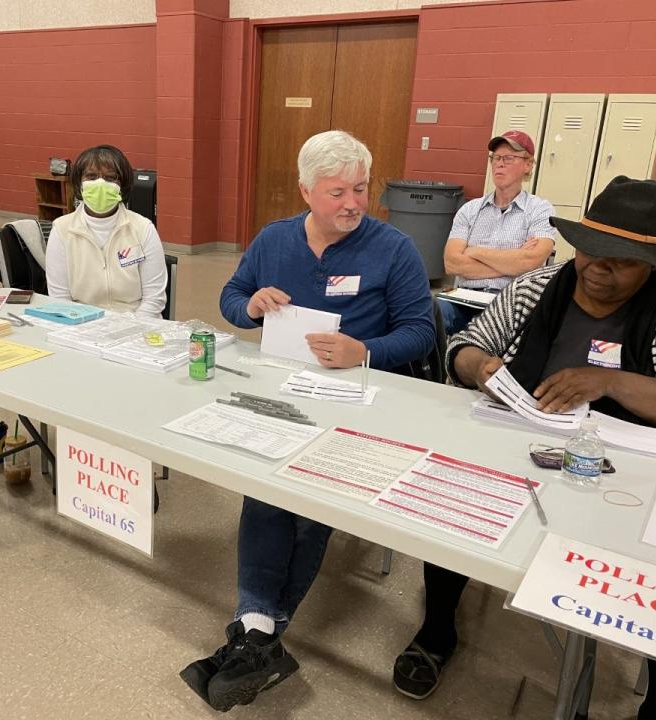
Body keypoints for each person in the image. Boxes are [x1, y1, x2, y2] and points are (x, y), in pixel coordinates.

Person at [394, 176, 656, 720]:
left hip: (636, 467)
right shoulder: (537, 288)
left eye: (622, 262)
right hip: (525, 441)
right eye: (592, 253)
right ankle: (439, 627)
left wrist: (606, 382)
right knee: (457, 500)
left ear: (655, 265)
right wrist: (479, 368)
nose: (599, 269)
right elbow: (466, 345)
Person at [180, 130, 435, 712]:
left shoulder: (392, 249)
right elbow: (229, 296)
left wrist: (363, 350)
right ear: (305, 191)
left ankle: (256, 631)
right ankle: (259, 632)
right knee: (269, 491)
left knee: (306, 498)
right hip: (282, 389)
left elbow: (420, 331)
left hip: (358, 397)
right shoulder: (274, 240)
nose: (352, 203)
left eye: (361, 190)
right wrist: (249, 305)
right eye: (336, 191)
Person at [439, 130, 555, 335]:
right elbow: (451, 263)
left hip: (509, 303)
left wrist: (473, 251)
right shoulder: (470, 209)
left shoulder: (540, 210)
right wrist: (513, 264)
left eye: (509, 158)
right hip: (464, 297)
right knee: (429, 314)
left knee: (484, 333)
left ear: (528, 164)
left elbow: (531, 262)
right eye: (496, 158)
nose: (499, 163)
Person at [45, 145, 167, 318]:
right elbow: (60, 300)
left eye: (110, 178)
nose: (100, 183)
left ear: (122, 185)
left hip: (135, 324)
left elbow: (154, 300)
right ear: (79, 183)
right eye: (91, 176)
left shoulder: (143, 228)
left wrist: (126, 328)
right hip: (81, 324)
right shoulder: (62, 230)